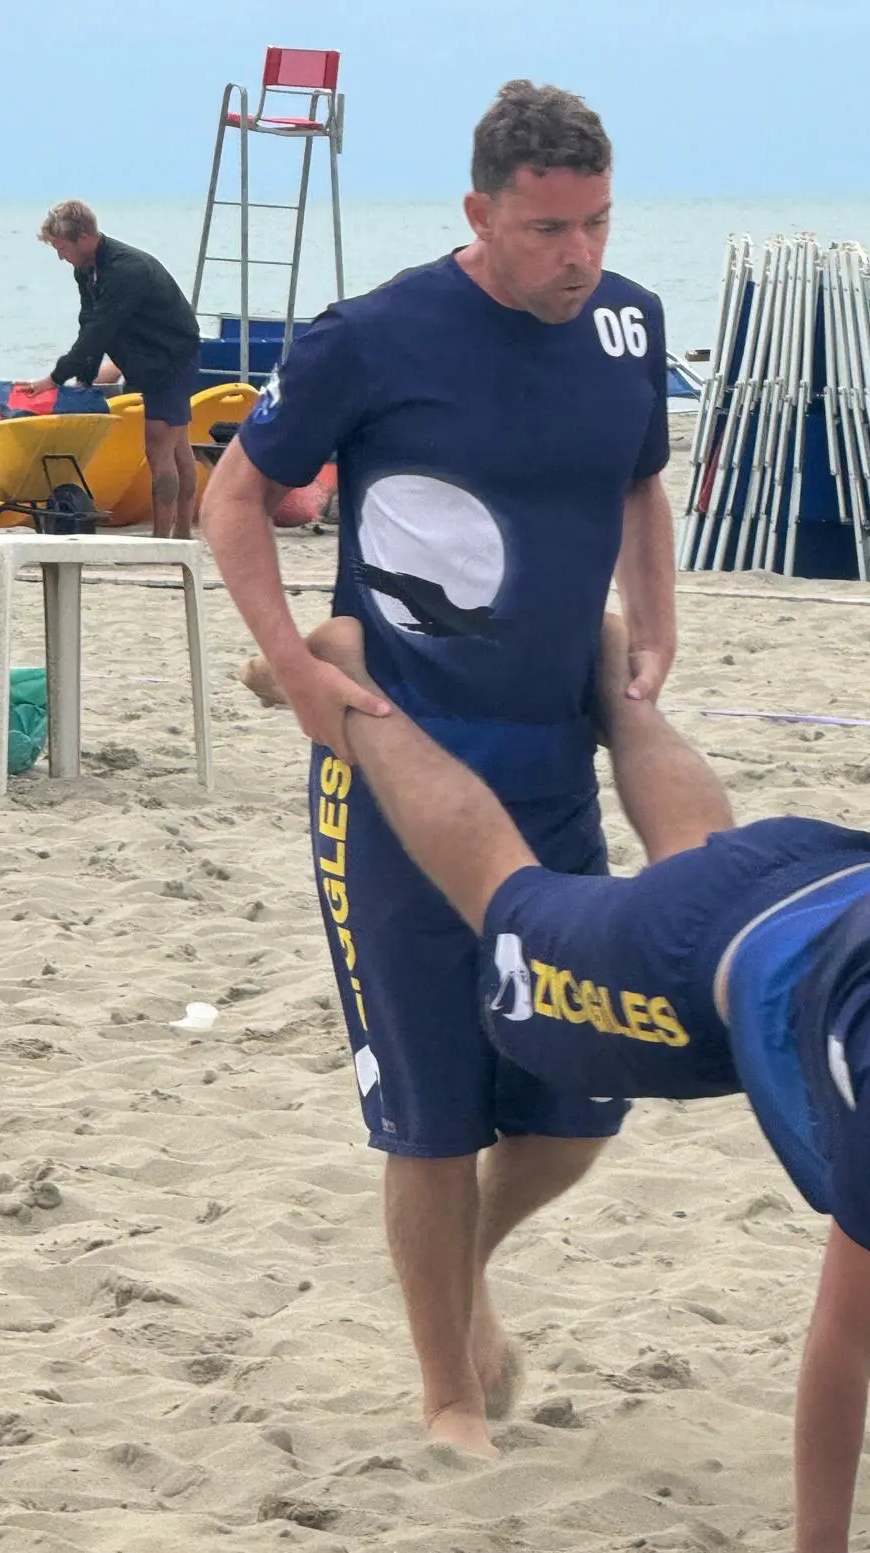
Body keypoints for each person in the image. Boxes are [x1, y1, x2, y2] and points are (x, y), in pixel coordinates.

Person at [249, 610, 870, 1553]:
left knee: (701, 847)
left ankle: (616, 685)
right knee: (505, 894)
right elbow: (842, 1352)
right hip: (695, 959)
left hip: (841, 875)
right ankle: (354, 692)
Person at [199, 81, 677, 1458]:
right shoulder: (373, 335)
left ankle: (459, 1273)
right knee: (432, 1117)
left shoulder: (630, 323)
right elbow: (236, 494)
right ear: (480, 212)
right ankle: (449, 1396)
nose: (578, 256)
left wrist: (658, 617)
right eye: (547, 230)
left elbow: (639, 479)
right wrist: (291, 664)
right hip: (396, 767)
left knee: (581, 1105)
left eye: (597, 223)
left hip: (550, 766)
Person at [25, 200, 201, 539]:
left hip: (171, 357)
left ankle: (165, 539)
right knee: (177, 446)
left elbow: (100, 329)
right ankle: (181, 536)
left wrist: (53, 379)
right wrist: (84, 379)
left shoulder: (126, 270)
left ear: (84, 237)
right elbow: (89, 323)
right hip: (144, 356)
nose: (60, 256)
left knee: (161, 448)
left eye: (62, 248)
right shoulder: (86, 269)